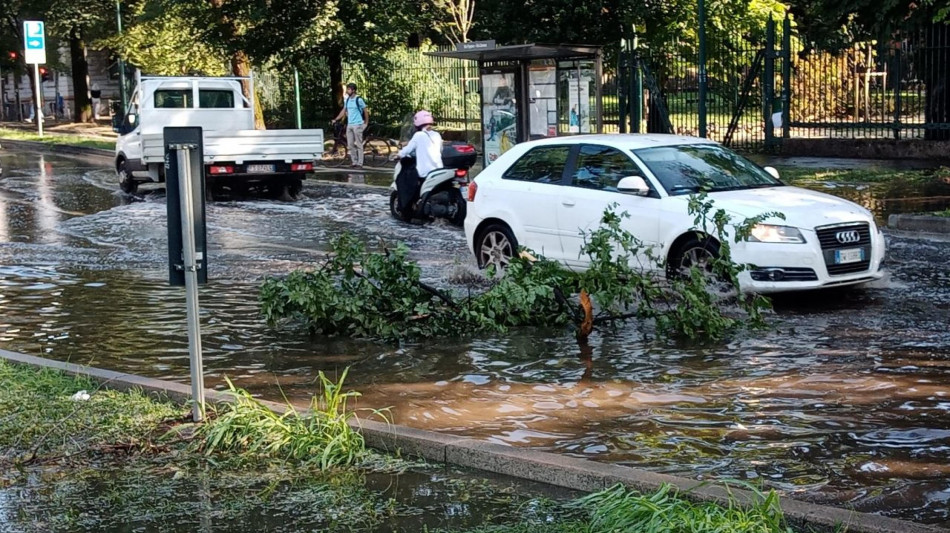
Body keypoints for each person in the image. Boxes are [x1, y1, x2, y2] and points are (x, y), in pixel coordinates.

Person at [332, 82, 368, 168]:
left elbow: (365, 111)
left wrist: (366, 122)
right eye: (347, 89)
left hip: (358, 124)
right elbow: (343, 111)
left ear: (353, 90)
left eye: (349, 89)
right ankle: (354, 161)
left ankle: (360, 163)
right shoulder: (347, 100)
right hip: (350, 124)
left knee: (359, 144)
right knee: (350, 144)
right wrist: (336, 119)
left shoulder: (359, 99)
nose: (347, 91)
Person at [398, 110, 443, 178]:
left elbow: (407, 150)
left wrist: (398, 155)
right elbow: (441, 150)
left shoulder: (418, 135)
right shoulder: (437, 135)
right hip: (439, 169)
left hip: (425, 172)